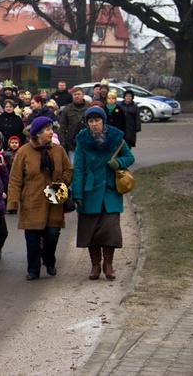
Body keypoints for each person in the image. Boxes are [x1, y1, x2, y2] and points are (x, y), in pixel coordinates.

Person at [72, 106, 134, 280]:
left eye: (97, 121)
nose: (94, 124)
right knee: (90, 229)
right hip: (89, 190)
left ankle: (108, 264)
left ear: (103, 121)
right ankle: (95, 265)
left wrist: (119, 163)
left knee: (109, 229)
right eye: (91, 121)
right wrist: (77, 193)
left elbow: (130, 157)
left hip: (110, 190)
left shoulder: (116, 137)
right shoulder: (82, 139)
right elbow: (78, 168)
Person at [7, 116, 72, 280]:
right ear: (37, 134)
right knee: (33, 240)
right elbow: (15, 179)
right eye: (48, 129)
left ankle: (49, 260)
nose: (51, 132)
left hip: (54, 201)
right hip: (32, 201)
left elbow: (69, 170)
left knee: (52, 234)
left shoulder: (59, 150)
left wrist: (61, 182)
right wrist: (13, 202)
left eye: (52, 129)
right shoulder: (23, 152)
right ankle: (33, 270)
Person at [58, 87, 90, 163]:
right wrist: (62, 142)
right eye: (74, 94)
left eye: (79, 94)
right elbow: (62, 127)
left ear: (83, 95)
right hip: (72, 145)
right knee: (73, 167)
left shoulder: (89, 108)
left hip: (87, 143)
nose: (77, 96)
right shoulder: (67, 109)